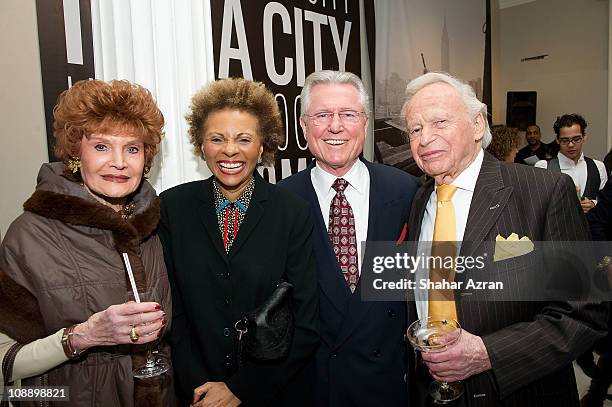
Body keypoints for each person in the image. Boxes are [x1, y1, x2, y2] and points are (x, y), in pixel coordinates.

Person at [402, 71, 607, 406]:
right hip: (432, 392)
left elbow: (586, 313)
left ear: (478, 125)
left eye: (439, 122)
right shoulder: (419, 200)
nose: (425, 138)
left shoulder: (545, 191)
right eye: (415, 129)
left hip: (518, 393)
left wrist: (488, 353)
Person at [0, 79, 173, 406]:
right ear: (76, 151)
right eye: (101, 146)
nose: (119, 162)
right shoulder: (30, 236)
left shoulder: (151, 227)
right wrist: (83, 336)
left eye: (132, 148)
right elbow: (4, 363)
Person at [159, 78, 319, 407]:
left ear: (262, 146)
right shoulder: (173, 207)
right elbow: (172, 312)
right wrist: (199, 386)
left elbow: (306, 323)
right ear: (201, 145)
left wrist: (241, 389)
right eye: (217, 139)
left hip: (271, 393)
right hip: (196, 394)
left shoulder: (291, 213)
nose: (230, 150)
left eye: (243, 139)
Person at [279, 70, 419, 407]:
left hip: (386, 383)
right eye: (323, 115)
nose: (336, 126)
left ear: (366, 123)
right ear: (303, 126)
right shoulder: (280, 201)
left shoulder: (405, 190)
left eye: (348, 114)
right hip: (311, 387)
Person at [535, 114, 607, 214]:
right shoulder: (543, 167)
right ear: (557, 140)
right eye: (565, 140)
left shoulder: (598, 167)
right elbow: (537, 203)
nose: (571, 145)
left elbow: (606, 203)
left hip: (590, 227)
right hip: (557, 227)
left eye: (576, 139)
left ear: (584, 137)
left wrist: (594, 204)